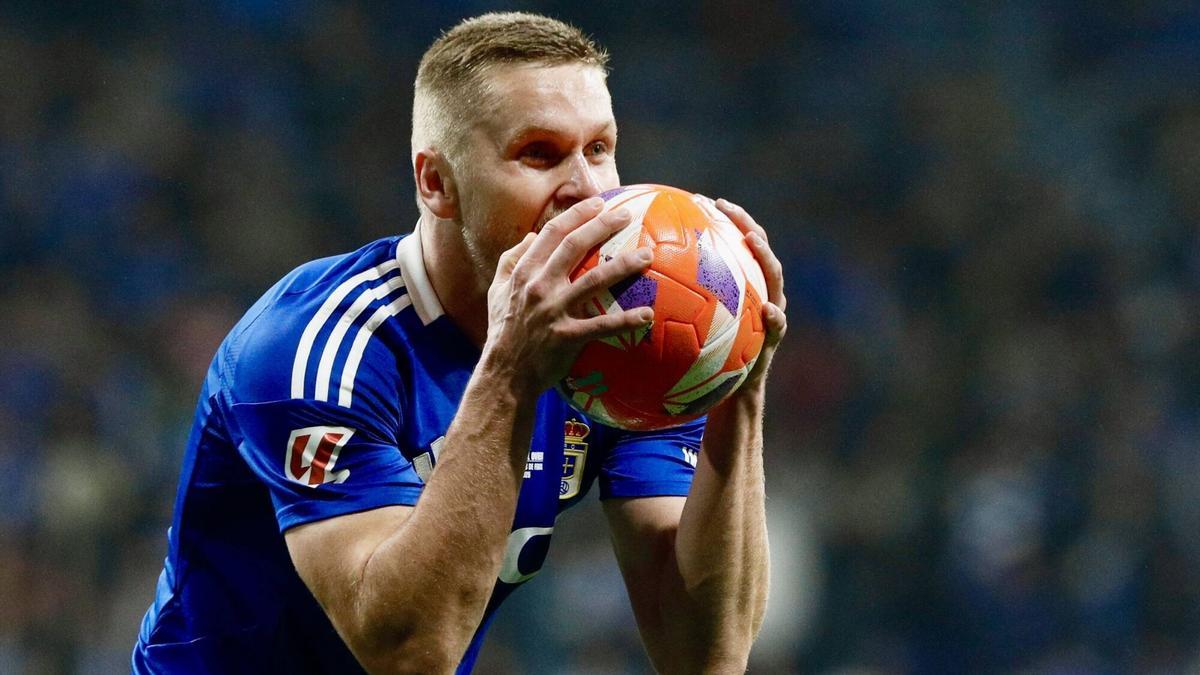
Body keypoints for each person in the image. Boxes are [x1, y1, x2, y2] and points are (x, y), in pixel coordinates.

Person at [132, 11, 786, 674]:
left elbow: (704, 653)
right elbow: (409, 655)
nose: (588, 191)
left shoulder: (619, 344)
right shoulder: (313, 350)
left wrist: (738, 386)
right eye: (540, 153)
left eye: (599, 149)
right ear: (436, 183)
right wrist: (510, 371)